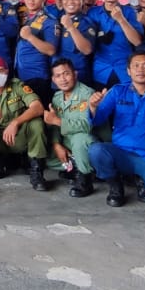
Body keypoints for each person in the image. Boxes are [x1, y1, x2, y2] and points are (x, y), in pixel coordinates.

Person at [88, 50, 145, 207]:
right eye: (136, 66)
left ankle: (142, 181)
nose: (140, 69)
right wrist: (92, 107)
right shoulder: (117, 91)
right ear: (128, 71)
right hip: (121, 153)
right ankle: (115, 185)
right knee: (96, 151)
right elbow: (97, 120)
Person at [0, 55, 49, 190]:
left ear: (7, 71)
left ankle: (36, 170)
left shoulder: (17, 85)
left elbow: (38, 107)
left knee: (36, 123)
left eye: (1, 70)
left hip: (18, 136)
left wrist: (15, 122)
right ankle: (0, 160)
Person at [43, 57, 98, 199]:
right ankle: (78, 166)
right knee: (47, 159)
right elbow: (54, 127)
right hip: (68, 142)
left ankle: (85, 179)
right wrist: (56, 145)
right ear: (53, 80)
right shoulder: (57, 97)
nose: (63, 79)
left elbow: (86, 126)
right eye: (58, 76)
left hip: (88, 141)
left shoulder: (87, 94)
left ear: (75, 74)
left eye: (66, 73)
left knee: (80, 139)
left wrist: (56, 120)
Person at [88, 0, 144, 87]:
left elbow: (137, 41)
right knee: (102, 103)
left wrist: (121, 19)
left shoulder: (129, 12)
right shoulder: (93, 13)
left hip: (124, 70)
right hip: (100, 69)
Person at [14, 0, 60, 101]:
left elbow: (51, 50)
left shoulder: (49, 21)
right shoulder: (28, 18)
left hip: (38, 78)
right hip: (22, 76)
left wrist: (30, 37)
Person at [56, 0, 97, 86]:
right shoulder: (56, 19)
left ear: (83, 1)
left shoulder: (86, 22)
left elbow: (87, 50)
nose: (70, 2)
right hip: (58, 78)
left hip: (78, 79)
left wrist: (71, 28)